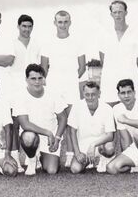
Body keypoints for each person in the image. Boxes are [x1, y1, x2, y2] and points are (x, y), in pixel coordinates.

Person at [40, 10, 86, 167]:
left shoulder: (77, 41)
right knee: (55, 120)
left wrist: (71, 79)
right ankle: (53, 151)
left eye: (66, 21)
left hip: (71, 86)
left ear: (70, 22)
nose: (63, 25)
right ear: (55, 23)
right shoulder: (47, 42)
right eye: (60, 22)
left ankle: (71, 154)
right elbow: (43, 68)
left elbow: (82, 67)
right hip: (53, 86)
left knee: (72, 120)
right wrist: (52, 83)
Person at [13, 64, 68, 175]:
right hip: (31, 136)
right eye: (33, 79)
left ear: (44, 79)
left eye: (40, 78)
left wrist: (57, 138)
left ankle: (41, 157)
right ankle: (32, 159)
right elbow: (25, 124)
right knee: (28, 136)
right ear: (26, 79)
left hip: (50, 140)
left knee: (52, 170)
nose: (37, 82)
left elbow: (63, 118)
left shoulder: (53, 94)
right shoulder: (19, 96)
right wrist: (47, 133)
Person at [99, 0, 138, 105]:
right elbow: (103, 59)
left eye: (120, 12)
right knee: (109, 113)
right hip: (109, 79)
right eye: (115, 12)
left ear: (126, 12)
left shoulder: (136, 33)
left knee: (131, 112)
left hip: (129, 77)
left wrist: (127, 68)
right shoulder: (105, 34)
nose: (117, 15)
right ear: (111, 14)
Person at [9, 14, 37, 173]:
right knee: (15, 124)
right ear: (18, 27)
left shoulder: (37, 44)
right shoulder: (11, 44)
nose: (26, 29)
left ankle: (32, 157)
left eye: (29, 26)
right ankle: (15, 159)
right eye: (23, 26)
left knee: (32, 121)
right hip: (14, 89)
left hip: (32, 89)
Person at [68, 81, 116, 174]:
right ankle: (93, 161)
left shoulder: (107, 108)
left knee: (110, 148)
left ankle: (103, 158)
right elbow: (72, 132)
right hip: (83, 146)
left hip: (101, 145)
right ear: (83, 94)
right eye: (87, 94)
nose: (90, 98)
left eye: (93, 94)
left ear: (99, 94)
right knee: (75, 169)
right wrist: (77, 153)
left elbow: (110, 135)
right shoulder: (77, 106)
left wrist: (93, 145)